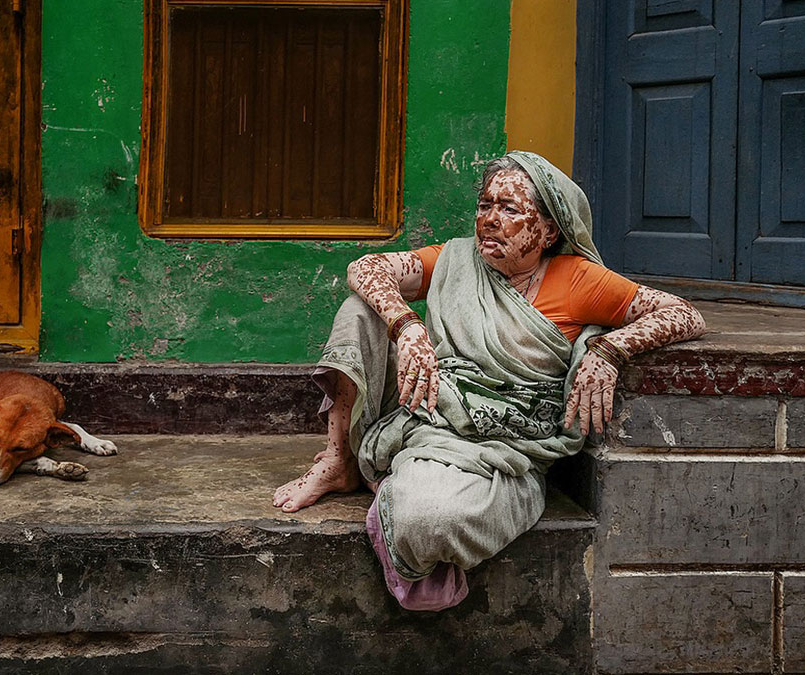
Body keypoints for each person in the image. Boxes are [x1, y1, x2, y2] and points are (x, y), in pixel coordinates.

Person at [271, 151, 706, 610]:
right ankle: (339, 459)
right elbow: (366, 268)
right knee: (359, 309)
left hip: (503, 445)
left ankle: (399, 492)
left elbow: (683, 313)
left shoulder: (578, 281)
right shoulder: (457, 260)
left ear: (549, 230)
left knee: (427, 522)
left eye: (510, 210)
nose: (490, 220)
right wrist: (407, 325)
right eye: (484, 205)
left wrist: (610, 349)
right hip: (424, 413)